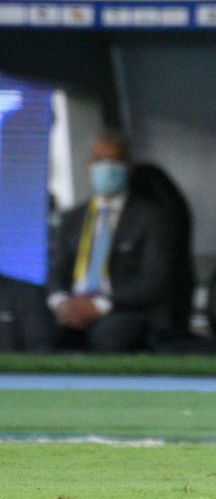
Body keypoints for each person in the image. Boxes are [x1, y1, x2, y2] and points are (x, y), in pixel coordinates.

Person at [46, 131, 177, 352]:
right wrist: (61, 303)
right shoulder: (73, 218)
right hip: (73, 306)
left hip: (125, 310)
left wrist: (99, 305)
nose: (106, 168)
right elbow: (56, 270)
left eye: (114, 161)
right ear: (88, 166)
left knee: (109, 336)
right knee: (39, 331)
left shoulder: (151, 217)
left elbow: (154, 280)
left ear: (128, 166)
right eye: (99, 161)